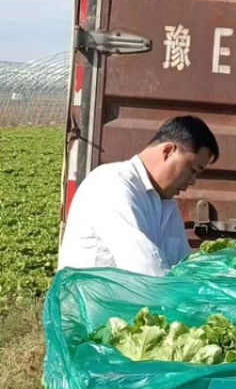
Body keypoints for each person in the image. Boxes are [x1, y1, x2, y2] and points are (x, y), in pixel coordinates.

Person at [58, 116, 219, 277]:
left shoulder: (166, 204)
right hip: (95, 301)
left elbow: (183, 266)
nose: (192, 181)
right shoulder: (112, 184)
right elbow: (146, 273)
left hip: (135, 300)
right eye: (192, 170)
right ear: (168, 151)